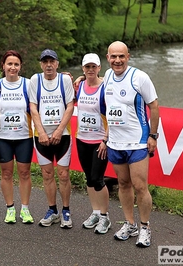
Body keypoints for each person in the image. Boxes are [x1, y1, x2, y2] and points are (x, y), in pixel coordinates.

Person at [104, 41, 159, 247]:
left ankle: (145, 227)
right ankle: (130, 223)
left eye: (121, 56)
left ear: (128, 56)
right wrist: (81, 78)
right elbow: (97, 83)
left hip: (137, 141)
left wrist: (153, 135)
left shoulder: (140, 77)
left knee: (140, 186)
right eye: (113, 56)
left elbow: (154, 106)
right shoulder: (108, 76)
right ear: (108, 58)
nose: (117, 60)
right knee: (124, 184)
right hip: (115, 142)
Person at [28, 49, 75, 229]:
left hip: (62, 136)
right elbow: (33, 107)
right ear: (41, 64)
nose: (48, 65)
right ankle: (52, 210)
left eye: (52, 61)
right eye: (45, 61)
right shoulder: (35, 80)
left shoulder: (64, 80)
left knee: (63, 175)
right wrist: (41, 131)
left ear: (57, 63)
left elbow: (70, 106)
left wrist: (58, 130)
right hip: (42, 137)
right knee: (47, 174)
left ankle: (65, 210)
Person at [0, 50, 34, 224]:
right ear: (3, 66)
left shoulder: (28, 84)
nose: (13, 67)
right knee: (6, 173)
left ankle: (25, 209)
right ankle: (10, 208)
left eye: (16, 64)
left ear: (20, 66)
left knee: (24, 173)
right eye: (9, 64)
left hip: (24, 136)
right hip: (3, 136)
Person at [75, 53, 111, 234]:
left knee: (98, 179)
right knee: (89, 178)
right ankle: (95, 212)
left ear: (99, 68)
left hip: (100, 142)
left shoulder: (106, 87)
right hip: (82, 139)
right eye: (87, 67)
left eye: (93, 67)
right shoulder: (79, 85)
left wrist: (106, 140)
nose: (90, 70)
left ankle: (105, 217)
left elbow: (112, 116)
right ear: (83, 69)